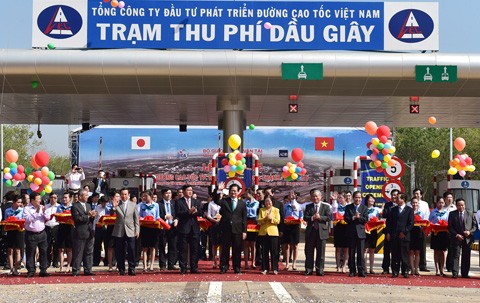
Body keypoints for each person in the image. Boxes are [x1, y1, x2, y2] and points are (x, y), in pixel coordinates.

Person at [215, 182, 247, 274]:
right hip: (226, 229)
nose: (233, 192)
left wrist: (244, 231)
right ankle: (224, 267)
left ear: (238, 192)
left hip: (237, 230)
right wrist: (219, 190)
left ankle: (237, 268)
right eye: (231, 191)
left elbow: (244, 218)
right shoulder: (225, 201)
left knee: (237, 249)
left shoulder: (242, 203)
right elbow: (216, 200)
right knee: (225, 249)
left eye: (235, 191)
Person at [110, 187, 140, 276]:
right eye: (122, 194)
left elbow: (136, 219)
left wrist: (137, 230)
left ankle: (132, 268)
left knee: (131, 250)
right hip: (119, 230)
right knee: (119, 251)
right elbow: (111, 213)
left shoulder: (133, 204)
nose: (124, 196)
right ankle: (121, 269)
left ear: (129, 195)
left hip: (130, 230)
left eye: (125, 194)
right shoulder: (117, 204)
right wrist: (114, 207)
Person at [303, 189, 331, 276]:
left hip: (321, 232)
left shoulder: (326, 206)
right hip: (311, 232)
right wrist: (312, 218)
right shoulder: (308, 206)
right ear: (311, 197)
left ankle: (320, 269)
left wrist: (319, 217)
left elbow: (328, 217)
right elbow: (305, 217)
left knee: (321, 253)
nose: (315, 198)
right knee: (309, 252)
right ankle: (308, 269)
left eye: (317, 196)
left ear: (320, 197)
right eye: (313, 196)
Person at [175, 184, 202, 274]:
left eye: (191, 190)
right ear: (183, 191)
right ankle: (183, 268)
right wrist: (188, 212)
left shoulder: (196, 201)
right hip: (183, 228)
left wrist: (195, 212)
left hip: (194, 228)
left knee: (195, 249)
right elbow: (177, 213)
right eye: (188, 190)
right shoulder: (179, 201)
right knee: (183, 249)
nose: (190, 192)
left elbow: (201, 212)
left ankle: (194, 267)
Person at [448, 198, 477, 278]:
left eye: (462, 205)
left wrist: (470, 232)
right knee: (456, 255)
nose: (461, 207)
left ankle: (465, 273)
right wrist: (456, 235)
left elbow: (475, 226)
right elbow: (450, 227)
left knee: (466, 255)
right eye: (459, 205)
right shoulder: (452, 214)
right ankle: (455, 273)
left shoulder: (470, 213)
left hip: (467, 238)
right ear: (456, 206)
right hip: (457, 238)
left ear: (465, 205)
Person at [386, 193, 414, 278]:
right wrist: (388, 233)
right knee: (395, 254)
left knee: (404, 255)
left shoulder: (409, 210)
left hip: (404, 236)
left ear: (403, 199)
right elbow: (389, 222)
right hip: (394, 235)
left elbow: (411, 223)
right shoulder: (393, 209)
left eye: (398, 198)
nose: (396, 200)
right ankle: (395, 271)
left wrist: (404, 232)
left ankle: (405, 270)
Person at [23, 192, 50, 277]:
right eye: (38, 200)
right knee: (31, 252)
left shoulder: (42, 207)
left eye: (40, 199)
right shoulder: (27, 209)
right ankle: (31, 270)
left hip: (42, 232)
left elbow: (48, 218)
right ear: (32, 200)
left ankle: (43, 270)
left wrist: (44, 212)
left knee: (44, 251)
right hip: (31, 233)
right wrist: (36, 212)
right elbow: (27, 219)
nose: (39, 201)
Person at [71, 189, 97, 276]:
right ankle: (76, 270)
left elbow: (90, 218)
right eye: (85, 195)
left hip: (89, 231)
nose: (87, 197)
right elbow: (77, 219)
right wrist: (88, 216)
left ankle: (88, 269)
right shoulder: (75, 206)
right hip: (80, 232)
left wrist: (92, 216)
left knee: (89, 252)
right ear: (80, 196)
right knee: (78, 252)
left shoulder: (88, 205)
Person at [344, 191, 368, 277]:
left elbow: (366, 219)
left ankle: (361, 270)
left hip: (361, 233)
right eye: (356, 197)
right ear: (353, 198)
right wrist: (353, 217)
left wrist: (359, 217)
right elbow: (346, 218)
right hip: (351, 232)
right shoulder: (348, 207)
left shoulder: (364, 208)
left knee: (361, 253)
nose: (358, 199)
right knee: (351, 252)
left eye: (359, 198)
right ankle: (352, 270)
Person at [258, 197, 281, 275]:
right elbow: (259, 220)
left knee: (274, 251)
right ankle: (265, 268)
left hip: (273, 233)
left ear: (272, 202)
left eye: (269, 201)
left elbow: (278, 221)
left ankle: (275, 268)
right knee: (264, 251)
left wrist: (271, 219)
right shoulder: (262, 210)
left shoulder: (276, 210)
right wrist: (265, 219)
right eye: (266, 201)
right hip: (263, 233)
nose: (268, 203)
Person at [138, 190, 160, 272]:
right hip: (145, 227)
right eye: (143, 196)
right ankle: (145, 266)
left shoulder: (156, 205)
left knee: (152, 247)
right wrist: (144, 219)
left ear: (150, 196)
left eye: (146, 196)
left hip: (153, 227)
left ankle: (151, 265)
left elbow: (157, 216)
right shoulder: (142, 205)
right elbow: (140, 216)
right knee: (144, 247)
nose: (144, 198)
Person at [409, 188, 430, 272]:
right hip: (410, 231)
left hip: (421, 230)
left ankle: (421, 266)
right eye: (415, 193)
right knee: (410, 251)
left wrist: (424, 227)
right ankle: (411, 267)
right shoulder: (408, 205)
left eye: (418, 194)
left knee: (420, 250)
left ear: (421, 195)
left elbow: (426, 216)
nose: (416, 195)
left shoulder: (425, 204)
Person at [282, 190, 303, 271]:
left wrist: (299, 221)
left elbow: (301, 216)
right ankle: (287, 263)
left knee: (295, 245)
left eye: (293, 194)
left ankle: (294, 263)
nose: (291, 195)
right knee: (286, 245)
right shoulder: (285, 206)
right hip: (287, 225)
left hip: (295, 226)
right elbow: (283, 215)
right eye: (290, 194)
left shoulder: (299, 206)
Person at [158, 188, 178, 270]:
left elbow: (177, 213)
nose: (168, 195)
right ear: (163, 194)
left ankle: (171, 264)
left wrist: (177, 219)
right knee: (162, 246)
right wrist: (165, 217)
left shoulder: (174, 203)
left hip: (172, 227)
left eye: (170, 193)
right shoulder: (158, 204)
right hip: (163, 227)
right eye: (166, 193)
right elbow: (157, 215)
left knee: (173, 246)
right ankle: (162, 265)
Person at [429, 197, 449, 276]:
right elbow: (429, 222)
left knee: (443, 251)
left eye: (442, 203)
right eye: (439, 202)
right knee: (436, 251)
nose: (441, 204)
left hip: (444, 234)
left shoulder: (447, 212)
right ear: (436, 203)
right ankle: (437, 269)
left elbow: (449, 222)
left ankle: (442, 269)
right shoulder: (433, 212)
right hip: (435, 233)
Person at [4, 195, 24, 275]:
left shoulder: (22, 210)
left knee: (18, 250)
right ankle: (11, 268)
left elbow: (24, 220)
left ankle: (16, 269)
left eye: (20, 202)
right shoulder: (7, 210)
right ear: (14, 202)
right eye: (18, 202)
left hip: (19, 231)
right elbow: (5, 220)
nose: (19, 204)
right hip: (10, 231)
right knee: (10, 250)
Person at [331, 191, 349, 273]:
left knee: (346, 248)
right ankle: (338, 266)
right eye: (339, 198)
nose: (340, 199)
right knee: (338, 248)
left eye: (341, 198)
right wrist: (334, 200)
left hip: (346, 228)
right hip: (338, 227)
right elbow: (334, 210)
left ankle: (344, 265)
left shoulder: (349, 206)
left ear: (345, 198)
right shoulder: (336, 206)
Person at [381, 189, 398, 274]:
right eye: (393, 195)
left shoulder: (401, 206)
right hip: (388, 230)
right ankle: (385, 268)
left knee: (396, 252)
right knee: (386, 251)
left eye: (396, 195)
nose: (394, 197)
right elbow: (385, 215)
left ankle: (395, 268)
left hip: (397, 232)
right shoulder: (388, 205)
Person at [409, 197, 426, 276]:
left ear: (418, 204)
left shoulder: (421, 212)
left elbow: (425, 222)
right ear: (411, 203)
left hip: (419, 233)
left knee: (418, 252)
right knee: (411, 251)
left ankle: (416, 269)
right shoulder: (408, 211)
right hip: (410, 232)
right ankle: (412, 269)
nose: (415, 204)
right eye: (413, 203)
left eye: (416, 203)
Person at [364, 194, 381, 274]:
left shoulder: (377, 209)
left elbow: (382, 216)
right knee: (365, 250)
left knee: (372, 250)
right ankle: (365, 267)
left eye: (372, 199)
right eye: (370, 199)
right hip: (366, 231)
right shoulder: (363, 209)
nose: (371, 200)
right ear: (367, 200)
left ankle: (371, 268)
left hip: (374, 231)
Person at [57, 192, 73, 273]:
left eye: (66, 197)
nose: (64, 199)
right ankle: (61, 266)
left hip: (70, 228)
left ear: (70, 198)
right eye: (63, 197)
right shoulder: (59, 207)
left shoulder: (72, 207)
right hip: (61, 227)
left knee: (69, 249)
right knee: (61, 249)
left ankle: (69, 265)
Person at [244, 188, 259, 270]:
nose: (245, 195)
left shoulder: (257, 203)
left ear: (251, 194)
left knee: (253, 244)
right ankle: (246, 263)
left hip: (254, 223)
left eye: (247, 194)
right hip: (246, 222)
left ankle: (253, 262)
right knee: (246, 244)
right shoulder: (244, 203)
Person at [206, 191, 221, 269]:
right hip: (214, 223)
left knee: (222, 244)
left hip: (222, 223)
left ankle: (221, 261)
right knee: (215, 244)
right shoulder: (211, 204)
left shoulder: (223, 202)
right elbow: (208, 215)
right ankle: (215, 262)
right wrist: (214, 220)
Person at [44, 193, 60, 268]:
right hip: (47, 227)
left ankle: (55, 262)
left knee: (56, 245)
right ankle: (47, 262)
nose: (53, 199)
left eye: (54, 197)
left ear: (57, 198)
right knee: (47, 245)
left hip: (56, 226)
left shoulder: (59, 207)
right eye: (51, 197)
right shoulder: (46, 207)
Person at [93, 196, 109, 266]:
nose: (104, 204)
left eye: (105, 202)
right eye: (103, 202)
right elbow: (95, 219)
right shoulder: (97, 208)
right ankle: (96, 261)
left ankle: (107, 261)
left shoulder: (109, 208)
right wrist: (93, 228)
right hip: (99, 227)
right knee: (97, 245)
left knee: (107, 245)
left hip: (106, 228)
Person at [443, 191, 456, 272]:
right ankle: (441, 266)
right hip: (442, 230)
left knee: (451, 249)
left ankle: (450, 266)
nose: (449, 199)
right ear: (444, 199)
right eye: (448, 197)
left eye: (451, 197)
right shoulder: (442, 207)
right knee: (442, 250)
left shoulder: (455, 207)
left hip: (452, 231)